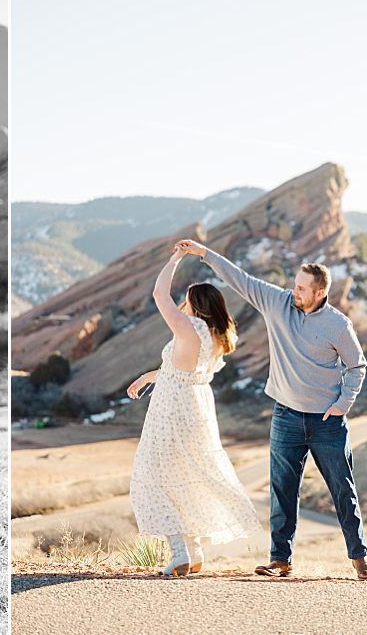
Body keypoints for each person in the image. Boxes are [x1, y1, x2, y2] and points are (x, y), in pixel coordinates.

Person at [176, 238, 367, 581]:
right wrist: (205, 255)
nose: (293, 291)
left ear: (319, 293)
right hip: (285, 416)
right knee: (282, 491)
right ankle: (280, 560)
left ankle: (360, 559)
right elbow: (241, 279)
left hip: (327, 422)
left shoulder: (338, 325)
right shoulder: (277, 303)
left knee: (343, 490)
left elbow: (357, 366)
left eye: (301, 288)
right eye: (294, 285)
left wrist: (342, 405)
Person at [128, 244, 262, 576]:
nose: (181, 305)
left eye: (186, 300)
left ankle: (178, 553)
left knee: (154, 476)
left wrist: (175, 259)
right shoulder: (217, 337)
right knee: (185, 477)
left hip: (171, 408)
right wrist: (149, 375)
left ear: (195, 304)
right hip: (195, 407)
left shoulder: (188, 329)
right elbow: (184, 369)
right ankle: (195, 552)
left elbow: (159, 294)